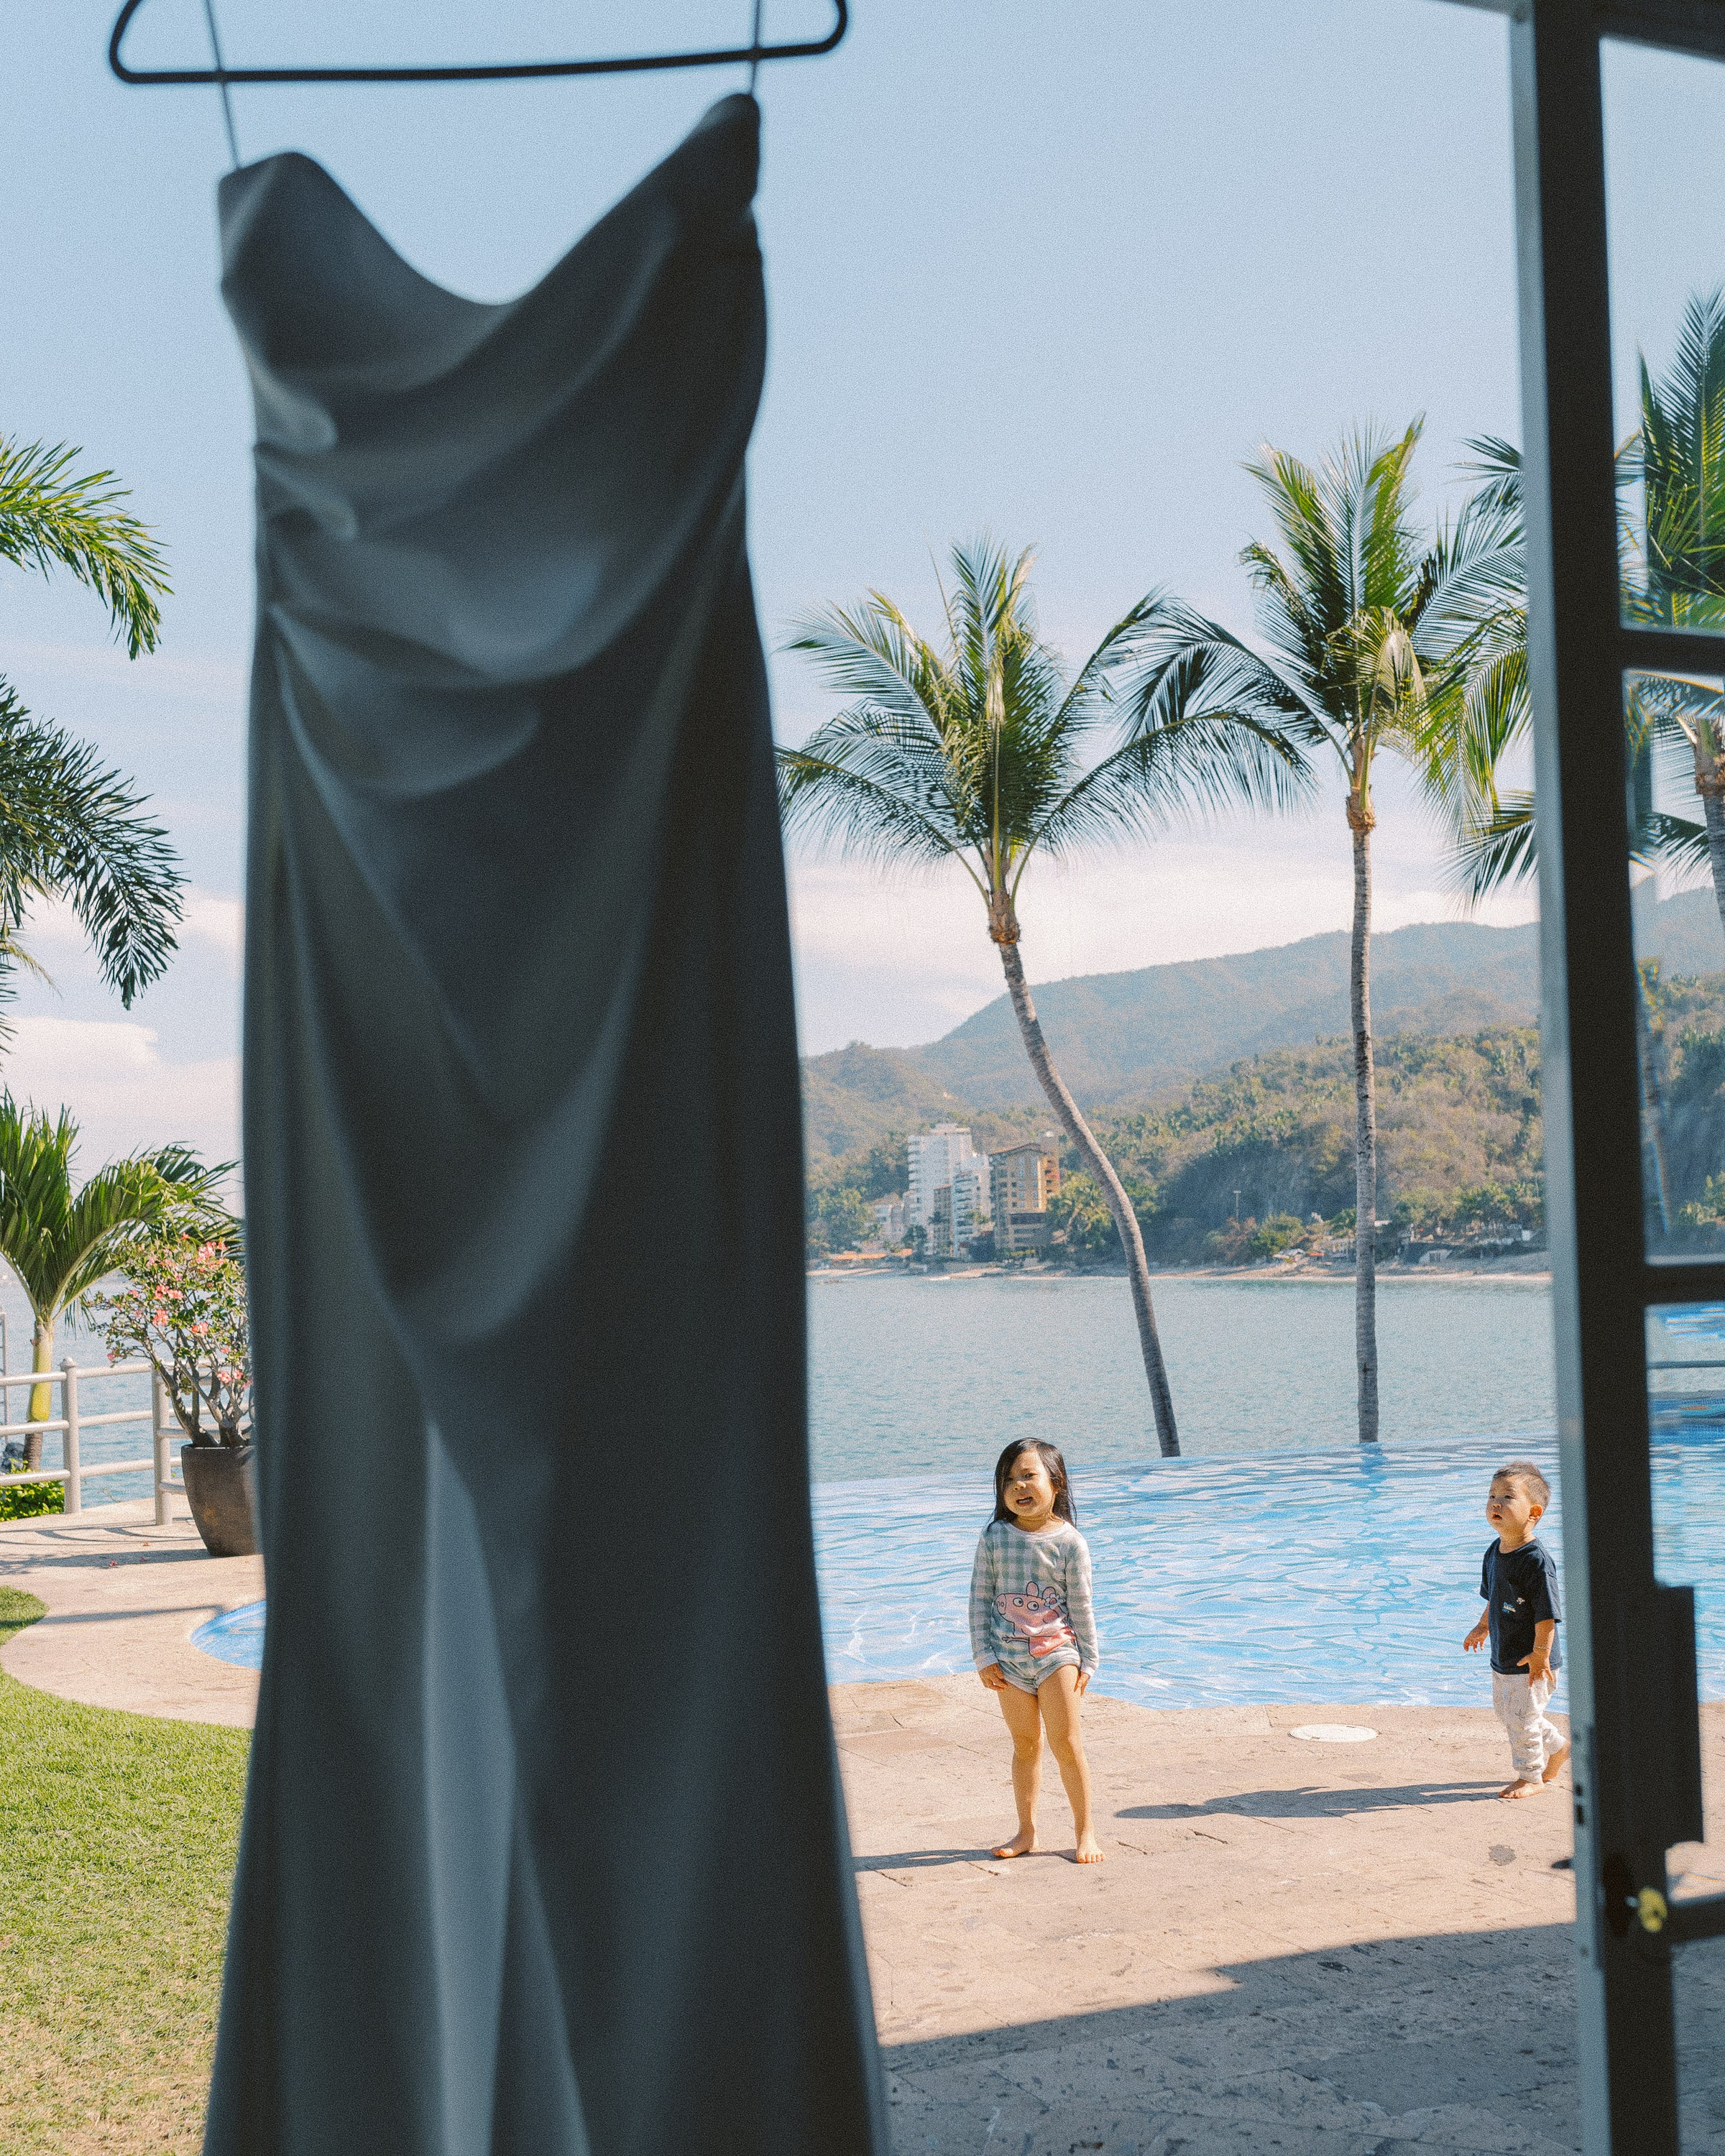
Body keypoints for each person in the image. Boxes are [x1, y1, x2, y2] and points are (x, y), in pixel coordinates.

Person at [969, 1439, 1103, 1863]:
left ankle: (1086, 1831)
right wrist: (984, 1656)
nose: (1019, 1486)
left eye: (1029, 1475)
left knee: (1066, 1742)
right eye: (1009, 1480)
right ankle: (1026, 1831)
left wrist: (1089, 1658)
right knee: (1025, 1745)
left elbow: (1081, 1605)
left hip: (1057, 1654)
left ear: (1056, 1483)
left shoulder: (1069, 1542)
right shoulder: (995, 1537)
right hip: (1007, 1659)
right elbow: (979, 1599)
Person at [1463, 1459, 1571, 1801]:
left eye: (1508, 1497)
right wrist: (1483, 1626)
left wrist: (1540, 1655)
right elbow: (1494, 1596)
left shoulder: (1536, 1560)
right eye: (1492, 1495)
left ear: (1533, 1512)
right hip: (1505, 1652)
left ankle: (1531, 1776)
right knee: (1510, 1714)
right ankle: (1558, 1747)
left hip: (1533, 1658)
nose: (1496, 1503)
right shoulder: (1494, 1551)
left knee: (1522, 1719)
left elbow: (1547, 1615)